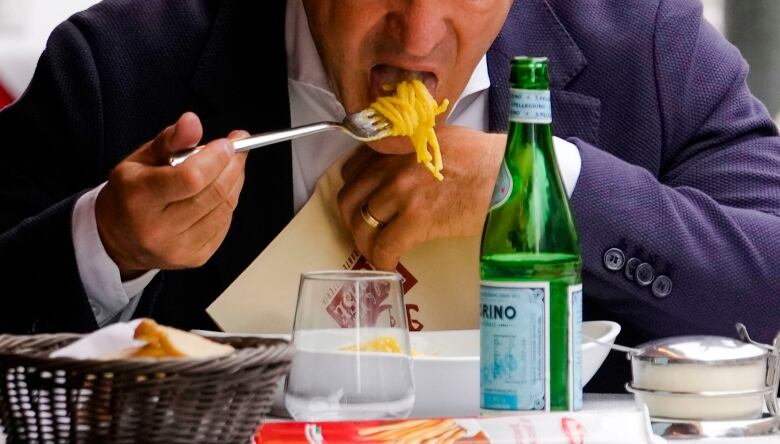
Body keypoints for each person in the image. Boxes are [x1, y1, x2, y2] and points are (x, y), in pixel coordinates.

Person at [1, 0, 779, 392]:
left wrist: (543, 183)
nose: (414, 37)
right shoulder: (115, 67)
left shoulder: (648, 53)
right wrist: (106, 244)